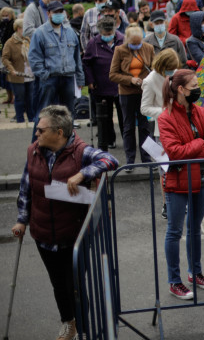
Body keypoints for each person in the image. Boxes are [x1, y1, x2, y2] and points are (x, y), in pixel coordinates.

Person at [11, 105, 118, 340]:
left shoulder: (80, 151)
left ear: (59, 132)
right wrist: (22, 221)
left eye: (41, 130)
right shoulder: (34, 151)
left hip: (73, 235)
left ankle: (84, 329)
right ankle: (68, 323)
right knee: (58, 284)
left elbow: (110, 160)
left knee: (76, 287)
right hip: (43, 233)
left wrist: (83, 174)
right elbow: (26, 189)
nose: (36, 133)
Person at [158, 69, 204, 299]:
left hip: (201, 178)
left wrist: (195, 146)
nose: (198, 89)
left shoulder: (202, 112)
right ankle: (175, 281)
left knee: (195, 230)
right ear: (181, 89)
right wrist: (199, 142)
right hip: (177, 181)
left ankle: (196, 272)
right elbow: (174, 152)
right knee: (174, 231)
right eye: (194, 86)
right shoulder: (165, 117)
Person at [140, 49, 180, 219]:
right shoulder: (150, 81)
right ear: (163, 66)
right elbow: (144, 108)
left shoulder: (177, 74)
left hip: (180, 126)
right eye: (170, 68)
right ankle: (166, 203)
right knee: (164, 168)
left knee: (180, 165)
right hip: (162, 128)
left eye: (175, 68)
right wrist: (164, 111)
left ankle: (180, 199)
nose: (173, 71)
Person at [28, 0, 83, 118]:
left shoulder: (70, 32)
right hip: (49, 78)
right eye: (55, 12)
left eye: (60, 11)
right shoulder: (40, 33)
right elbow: (34, 58)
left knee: (68, 114)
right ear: (48, 13)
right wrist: (44, 74)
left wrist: (80, 78)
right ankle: (38, 137)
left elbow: (76, 57)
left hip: (68, 78)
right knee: (44, 113)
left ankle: (68, 137)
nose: (58, 14)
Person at [109, 26, 154, 166]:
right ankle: (130, 160)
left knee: (145, 127)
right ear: (126, 40)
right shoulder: (120, 50)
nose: (136, 46)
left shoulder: (148, 48)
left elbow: (155, 69)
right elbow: (113, 75)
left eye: (138, 42)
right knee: (128, 127)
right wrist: (130, 80)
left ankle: (146, 159)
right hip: (127, 93)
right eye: (133, 43)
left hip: (144, 93)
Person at [83, 17, 125, 151]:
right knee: (105, 117)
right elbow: (86, 63)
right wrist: (90, 81)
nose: (108, 36)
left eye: (110, 33)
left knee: (123, 115)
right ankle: (108, 140)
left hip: (121, 85)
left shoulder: (122, 40)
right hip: (101, 85)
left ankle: (127, 140)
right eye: (105, 34)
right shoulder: (93, 43)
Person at [2, 18, 34, 122]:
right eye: (24, 28)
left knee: (30, 98)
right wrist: (11, 70)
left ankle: (31, 118)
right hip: (17, 75)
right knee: (20, 98)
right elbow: (5, 58)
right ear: (18, 28)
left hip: (29, 74)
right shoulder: (10, 42)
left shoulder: (27, 40)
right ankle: (20, 119)